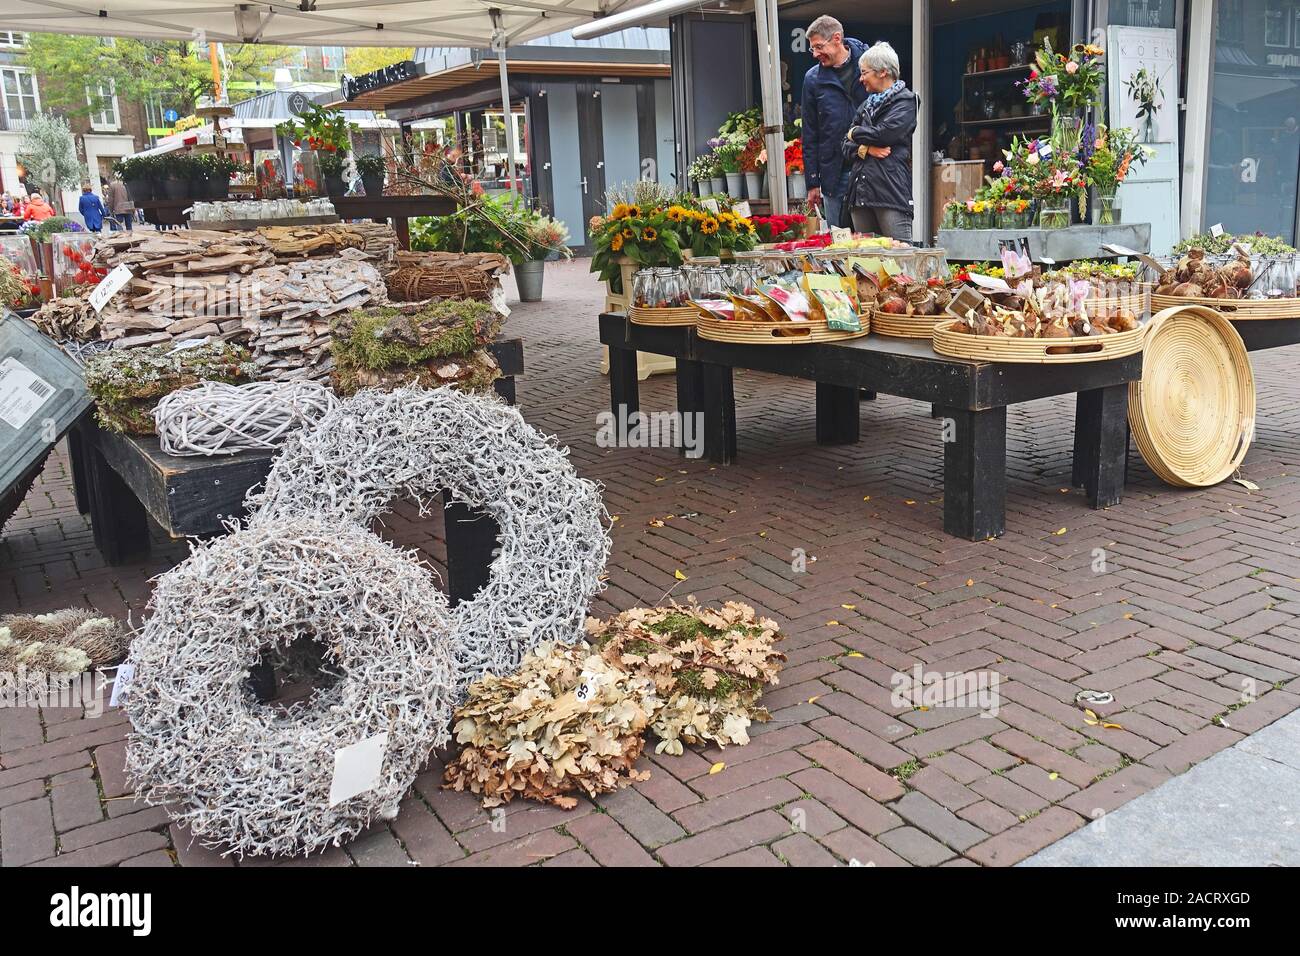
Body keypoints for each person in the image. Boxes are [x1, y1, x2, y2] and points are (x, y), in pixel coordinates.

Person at [841, 41, 918, 241]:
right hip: (860, 194)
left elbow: (884, 134)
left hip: (889, 192)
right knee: (866, 263)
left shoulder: (906, 102)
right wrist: (867, 150)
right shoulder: (866, 105)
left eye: (865, 72)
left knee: (900, 259)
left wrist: (855, 132)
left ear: (882, 72)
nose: (861, 79)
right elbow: (844, 145)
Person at [800, 15, 868, 229]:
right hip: (833, 172)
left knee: (870, 238)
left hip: (870, 167)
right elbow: (810, 133)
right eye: (812, 49)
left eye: (819, 47)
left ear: (837, 39)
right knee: (838, 238)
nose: (815, 54)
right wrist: (812, 182)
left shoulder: (869, 66)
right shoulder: (812, 79)